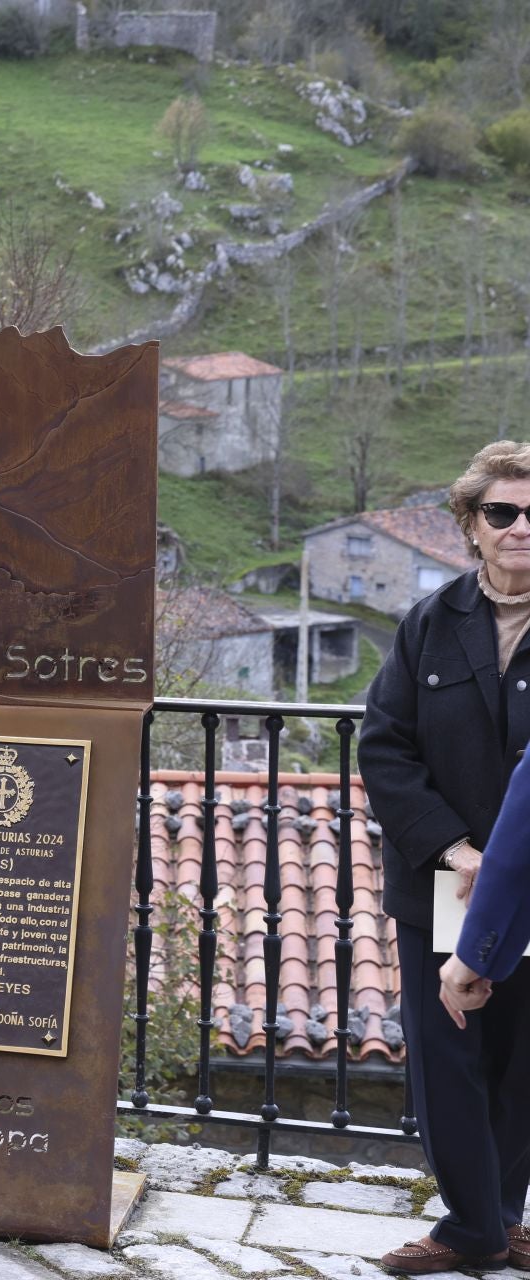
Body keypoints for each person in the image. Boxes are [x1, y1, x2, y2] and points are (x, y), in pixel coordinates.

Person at [361, 439, 530, 1274]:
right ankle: (473, 1227)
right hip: (442, 881)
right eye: (503, 513)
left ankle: (496, 1221)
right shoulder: (428, 623)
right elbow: (385, 747)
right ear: (471, 525)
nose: (521, 528)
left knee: (523, 1061)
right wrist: (455, 849)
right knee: (447, 1054)